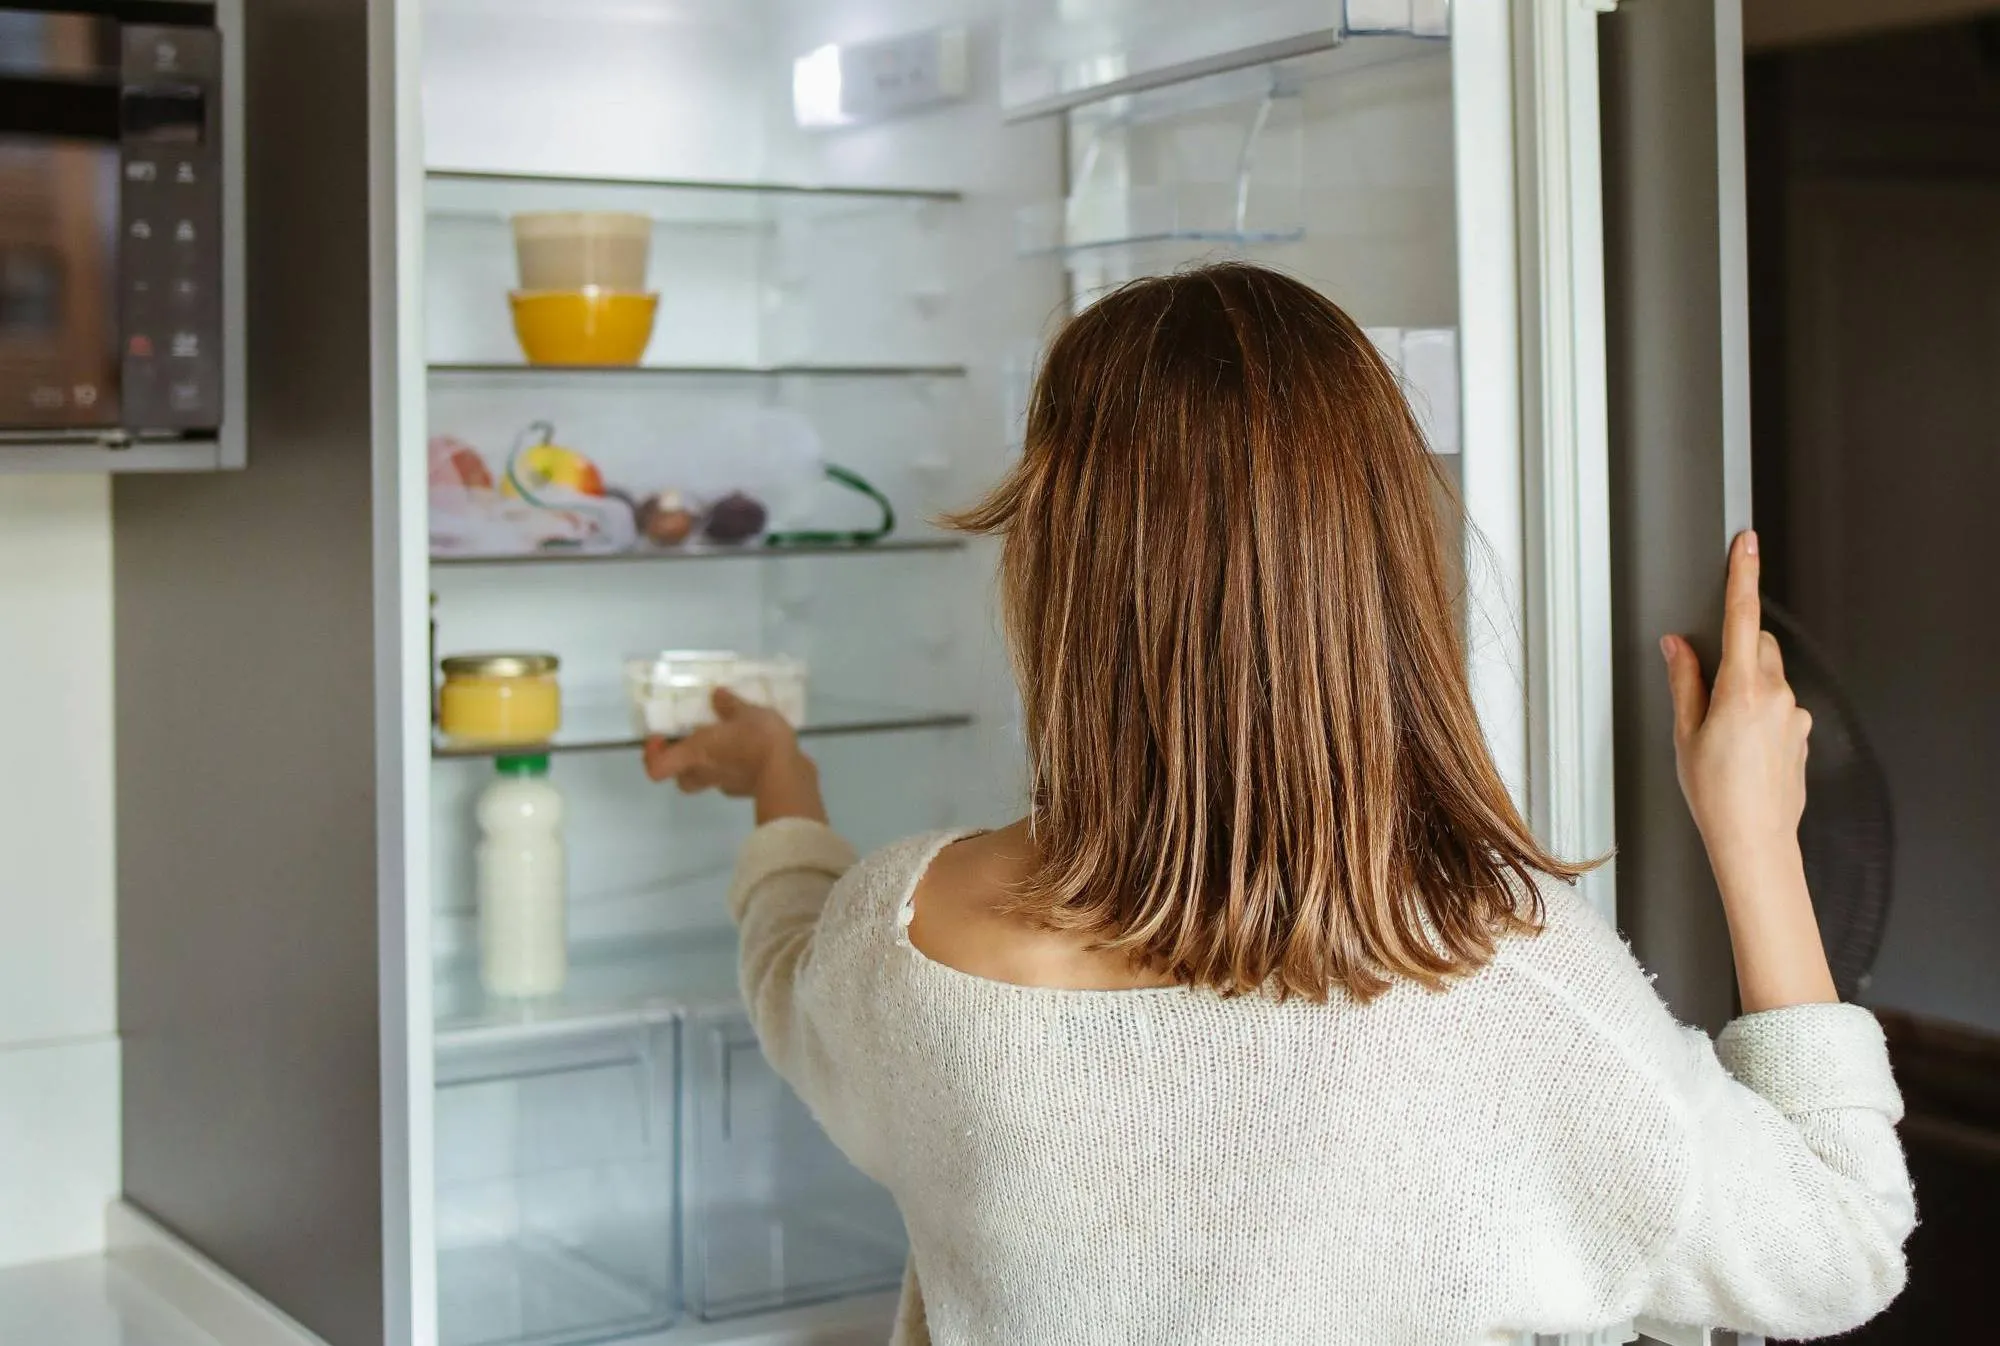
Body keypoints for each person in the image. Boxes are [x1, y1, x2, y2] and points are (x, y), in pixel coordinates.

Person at [644, 264, 1913, 1345]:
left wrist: (777, 779)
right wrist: (1754, 838)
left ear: (1059, 571)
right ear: (1379, 568)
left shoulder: (907, 933)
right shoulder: (1501, 983)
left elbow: (789, 974)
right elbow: (1838, 1247)